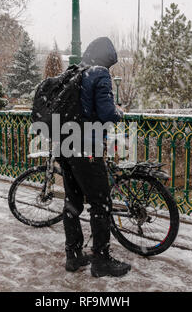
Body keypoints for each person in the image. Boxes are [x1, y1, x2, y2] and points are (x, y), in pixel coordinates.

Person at [58, 37, 131, 278]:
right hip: (86, 146)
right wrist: (119, 113)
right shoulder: (99, 74)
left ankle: (73, 254)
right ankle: (101, 260)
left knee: (73, 201)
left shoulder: (75, 73)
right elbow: (107, 114)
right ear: (107, 58)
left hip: (64, 144)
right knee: (100, 203)